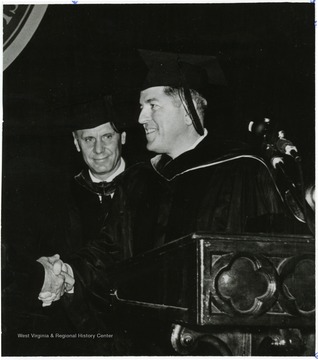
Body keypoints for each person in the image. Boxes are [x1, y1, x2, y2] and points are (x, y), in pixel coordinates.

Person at [36, 50, 308, 354]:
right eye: (141, 107)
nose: (140, 118)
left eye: (152, 105)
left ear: (188, 106)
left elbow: (281, 270)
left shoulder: (244, 170)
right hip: (142, 345)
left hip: (219, 347)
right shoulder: (139, 180)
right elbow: (109, 252)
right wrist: (68, 273)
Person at [65, 96, 128, 252]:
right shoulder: (64, 197)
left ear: (123, 137)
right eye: (89, 139)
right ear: (76, 142)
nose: (98, 149)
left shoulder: (148, 185)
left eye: (107, 137)